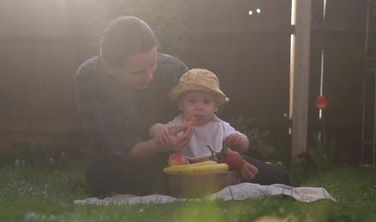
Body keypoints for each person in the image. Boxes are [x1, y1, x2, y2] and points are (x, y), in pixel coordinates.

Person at [75, 16, 192, 197]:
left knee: (247, 166)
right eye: (137, 73)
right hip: (127, 160)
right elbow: (102, 143)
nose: (149, 77)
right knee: (99, 174)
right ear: (110, 67)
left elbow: (203, 118)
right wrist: (155, 145)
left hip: (180, 155)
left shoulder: (175, 69)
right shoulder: (90, 76)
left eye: (153, 64)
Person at [150, 68, 291, 186]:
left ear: (215, 107)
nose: (199, 107)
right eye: (192, 101)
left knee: (254, 169)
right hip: (186, 171)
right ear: (181, 105)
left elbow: (243, 146)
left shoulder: (220, 126)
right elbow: (157, 131)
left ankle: (282, 181)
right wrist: (157, 128)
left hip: (219, 170)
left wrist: (240, 140)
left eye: (206, 102)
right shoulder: (177, 124)